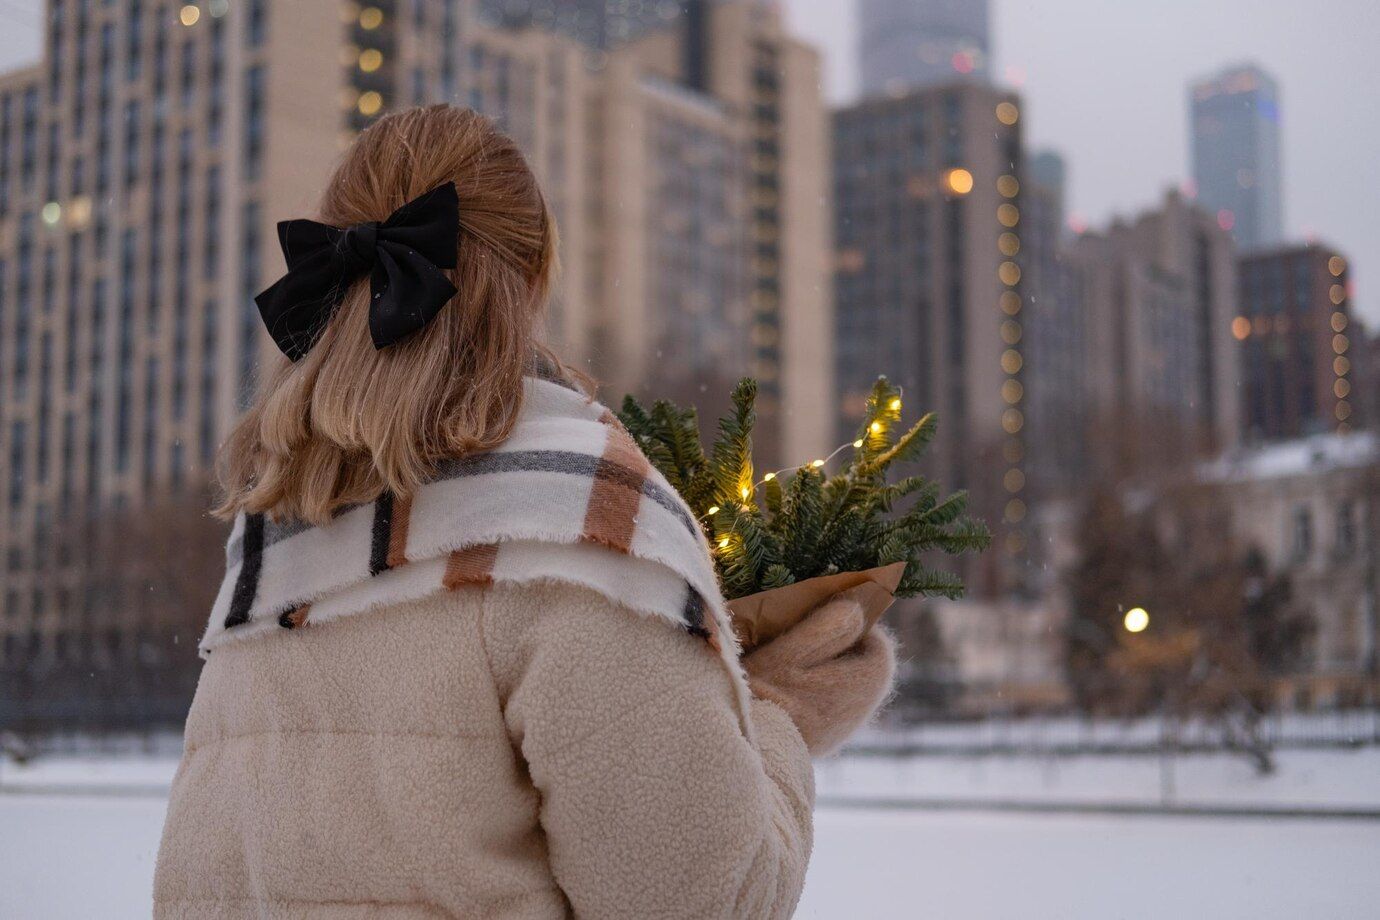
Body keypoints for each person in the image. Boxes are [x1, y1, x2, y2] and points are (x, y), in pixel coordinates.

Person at [153, 104, 895, 919]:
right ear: (535, 279)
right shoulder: (577, 526)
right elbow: (700, 902)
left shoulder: (270, 546)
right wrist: (778, 717)